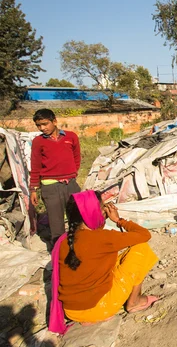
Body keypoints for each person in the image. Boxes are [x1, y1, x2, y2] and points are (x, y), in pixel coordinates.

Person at [48, 190, 159, 334]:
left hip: (71, 312)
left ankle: (90, 315)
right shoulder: (104, 238)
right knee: (141, 249)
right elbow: (144, 235)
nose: (105, 211)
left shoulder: (63, 240)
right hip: (100, 308)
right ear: (93, 212)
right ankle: (135, 301)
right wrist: (119, 220)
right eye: (102, 208)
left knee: (114, 262)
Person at [30, 109, 81, 246]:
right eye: (39, 125)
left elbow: (76, 157)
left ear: (55, 121)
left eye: (45, 124)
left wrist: (72, 173)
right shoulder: (38, 141)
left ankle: (77, 247)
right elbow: (35, 166)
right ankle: (58, 252)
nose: (42, 128)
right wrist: (33, 189)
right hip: (50, 186)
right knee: (56, 221)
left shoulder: (71, 137)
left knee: (76, 217)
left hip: (70, 184)